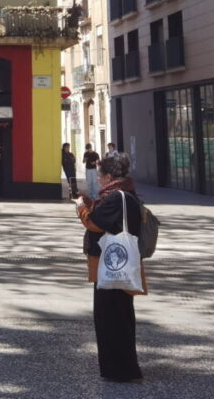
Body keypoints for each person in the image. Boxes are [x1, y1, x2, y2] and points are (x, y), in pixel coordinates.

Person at [75, 152, 147, 383]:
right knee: (120, 315)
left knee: (110, 317)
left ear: (108, 176)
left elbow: (95, 223)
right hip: (119, 264)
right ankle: (122, 366)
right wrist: (91, 204)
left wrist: (81, 208)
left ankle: (120, 369)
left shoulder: (116, 197)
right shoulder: (127, 194)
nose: (99, 180)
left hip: (112, 266)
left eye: (100, 176)